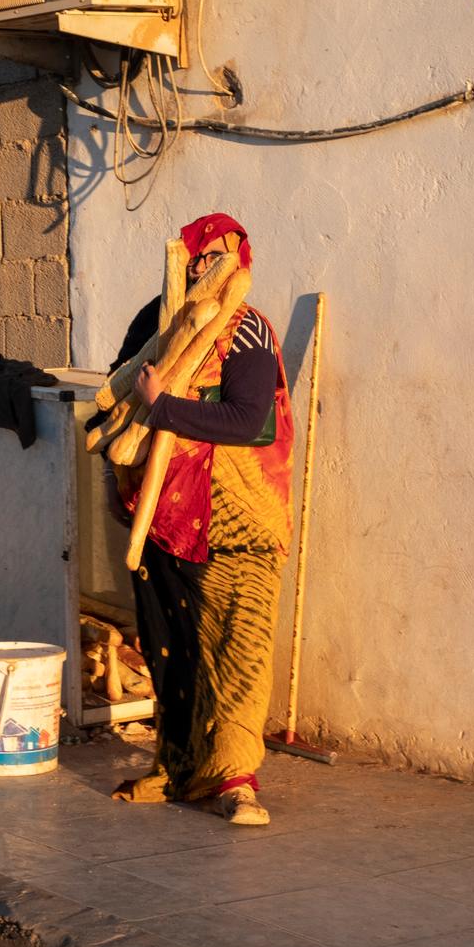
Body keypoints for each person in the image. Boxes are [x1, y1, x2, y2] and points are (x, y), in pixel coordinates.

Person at [104, 213, 295, 825]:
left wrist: (166, 407)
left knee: (239, 649)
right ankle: (181, 770)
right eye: (191, 256)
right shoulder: (153, 324)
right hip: (163, 516)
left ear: (239, 257)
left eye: (213, 255)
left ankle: (237, 782)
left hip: (239, 520)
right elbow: (117, 409)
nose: (200, 266)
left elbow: (243, 421)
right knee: (174, 649)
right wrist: (119, 479)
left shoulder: (248, 332)